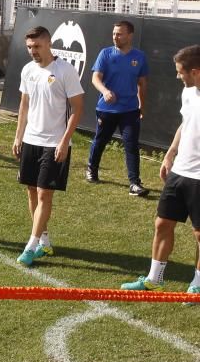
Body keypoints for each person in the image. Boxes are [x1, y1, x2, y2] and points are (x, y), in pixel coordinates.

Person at [121, 45, 200, 294]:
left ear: (195, 71)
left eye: (180, 72)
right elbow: (185, 124)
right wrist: (170, 154)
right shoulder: (188, 93)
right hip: (179, 172)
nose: (178, 76)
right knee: (162, 223)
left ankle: (197, 286)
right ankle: (154, 279)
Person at [13, 26, 84, 266]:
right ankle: (44, 243)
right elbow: (24, 104)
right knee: (32, 191)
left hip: (54, 144)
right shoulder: (27, 70)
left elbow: (78, 108)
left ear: (48, 43)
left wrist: (64, 141)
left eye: (37, 46)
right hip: (30, 140)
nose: (33, 51)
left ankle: (31, 246)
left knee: (44, 193)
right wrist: (18, 136)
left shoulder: (65, 70)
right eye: (30, 47)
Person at [85, 20, 150, 196]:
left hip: (130, 110)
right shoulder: (105, 54)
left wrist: (141, 106)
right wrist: (105, 91)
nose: (115, 37)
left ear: (130, 35)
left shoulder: (140, 57)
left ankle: (134, 183)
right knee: (100, 140)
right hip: (106, 109)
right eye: (114, 33)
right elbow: (95, 79)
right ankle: (92, 169)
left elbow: (142, 84)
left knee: (131, 145)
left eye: (119, 33)